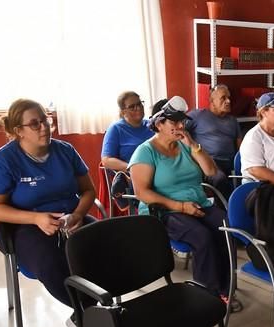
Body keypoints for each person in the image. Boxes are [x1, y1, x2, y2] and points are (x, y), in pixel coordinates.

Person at [0, 98, 97, 327]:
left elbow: (88, 191)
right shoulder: (3, 161)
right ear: (18, 131)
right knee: (53, 262)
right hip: (25, 226)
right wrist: (35, 219)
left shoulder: (65, 151)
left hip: (70, 219)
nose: (44, 127)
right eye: (34, 124)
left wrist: (77, 214)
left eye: (45, 119)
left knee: (107, 244)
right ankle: (90, 314)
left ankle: (88, 313)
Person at [129, 96, 238, 309]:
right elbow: (141, 192)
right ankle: (208, 293)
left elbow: (210, 171)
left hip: (197, 203)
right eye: (174, 122)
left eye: (182, 122)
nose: (180, 126)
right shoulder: (146, 151)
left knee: (226, 227)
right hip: (163, 210)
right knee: (202, 236)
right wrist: (179, 206)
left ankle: (226, 286)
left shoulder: (185, 144)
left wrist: (193, 144)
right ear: (159, 124)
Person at [186, 84, 242, 196]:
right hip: (208, 163)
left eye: (229, 97)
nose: (228, 101)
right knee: (219, 179)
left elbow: (241, 147)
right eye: (223, 98)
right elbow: (179, 130)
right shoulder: (197, 116)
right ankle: (226, 210)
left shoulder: (233, 121)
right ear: (212, 101)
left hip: (229, 165)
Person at [101, 91, 152, 212]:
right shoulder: (116, 129)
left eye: (140, 104)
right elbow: (106, 160)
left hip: (157, 169)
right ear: (123, 111)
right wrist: (133, 168)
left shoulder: (151, 125)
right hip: (134, 176)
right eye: (132, 106)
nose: (138, 108)